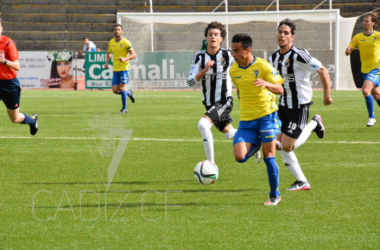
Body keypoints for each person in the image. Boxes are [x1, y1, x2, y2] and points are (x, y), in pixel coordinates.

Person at [268, 19, 333, 191]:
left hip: (299, 106)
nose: (282, 35)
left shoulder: (299, 55)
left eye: (286, 33)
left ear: (292, 37)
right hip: (282, 107)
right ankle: (302, 181)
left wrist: (326, 95)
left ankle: (314, 123)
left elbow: (323, 70)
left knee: (287, 146)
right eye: (280, 32)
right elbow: (274, 84)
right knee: (277, 145)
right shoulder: (273, 58)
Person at [187, 22, 259, 165]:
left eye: (216, 35)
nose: (213, 37)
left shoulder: (228, 54)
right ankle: (255, 139)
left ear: (221, 38)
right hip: (208, 103)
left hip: (224, 100)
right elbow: (190, 82)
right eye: (210, 34)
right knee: (229, 134)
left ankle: (211, 164)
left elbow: (245, 62)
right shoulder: (199, 57)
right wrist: (205, 70)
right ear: (206, 38)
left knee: (203, 124)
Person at [230, 33, 284, 206]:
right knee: (239, 157)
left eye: (237, 51)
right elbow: (240, 90)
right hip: (246, 120)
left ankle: (274, 195)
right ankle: (259, 143)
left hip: (266, 117)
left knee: (269, 157)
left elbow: (280, 89)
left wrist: (267, 84)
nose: (233, 54)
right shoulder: (233, 70)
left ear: (247, 50)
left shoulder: (263, 66)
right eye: (232, 51)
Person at [0, 18, 38, 135]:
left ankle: (32, 121)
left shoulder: (8, 43)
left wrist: (4, 61)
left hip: (9, 85)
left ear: (1, 28)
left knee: (15, 119)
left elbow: (17, 66)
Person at [346, 12, 380, 127]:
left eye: (367, 21)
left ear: (373, 23)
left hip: (376, 69)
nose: (364, 23)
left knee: (365, 90)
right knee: (377, 95)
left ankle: (372, 117)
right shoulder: (357, 37)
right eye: (364, 21)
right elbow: (348, 52)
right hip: (364, 70)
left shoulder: (378, 35)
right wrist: (347, 51)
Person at [105, 24, 136, 114]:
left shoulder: (126, 42)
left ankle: (124, 109)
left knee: (122, 88)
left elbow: (134, 55)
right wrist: (107, 62)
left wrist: (125, 59)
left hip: (124, 69)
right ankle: (129, 93)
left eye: (119, 29)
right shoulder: (111, 42)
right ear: (114, 31)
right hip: (115, 70)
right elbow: (109, 53)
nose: (117, 31)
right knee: (115, 90)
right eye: (115, 30)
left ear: (121, 31)